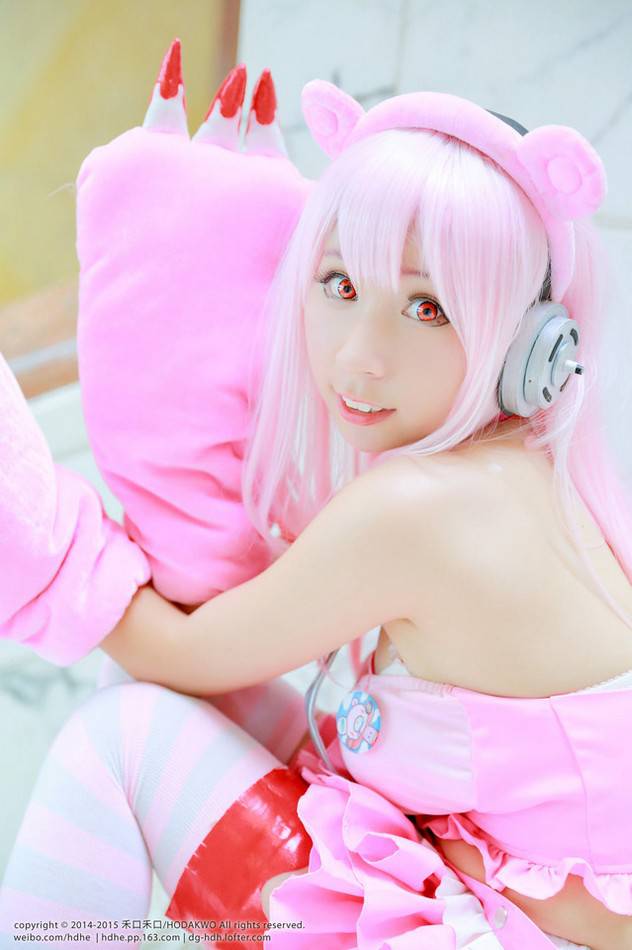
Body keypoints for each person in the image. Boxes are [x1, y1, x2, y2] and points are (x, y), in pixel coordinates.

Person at [2, 56, 632, 950]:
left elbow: (180, 651)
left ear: (532, 345)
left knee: (120, 735)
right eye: (341, 286)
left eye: (428, 307)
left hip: (485, 928)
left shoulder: (420, 509)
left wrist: (38, 542)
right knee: (190, 705)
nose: (358, 355)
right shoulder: (534, 476)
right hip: (477, 897)